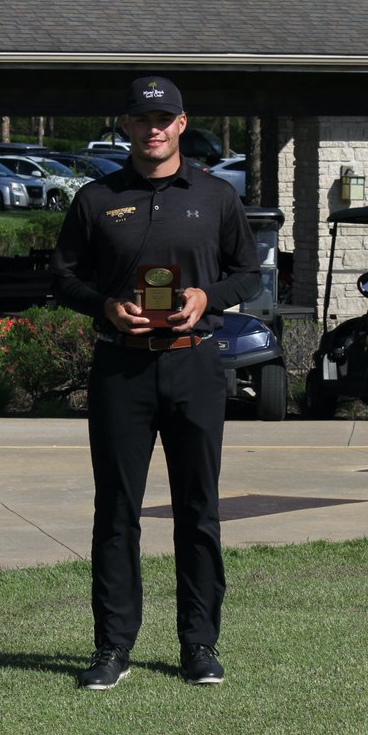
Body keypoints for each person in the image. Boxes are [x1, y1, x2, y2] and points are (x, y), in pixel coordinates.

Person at [52, 76, 260, 690]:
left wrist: (207, 295)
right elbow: (62, 277)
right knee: (116, 512)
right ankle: (113, 646)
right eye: (143, 120)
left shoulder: (217, 197)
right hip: (121, 368)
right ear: (126, 126)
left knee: (199, 511)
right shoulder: (96, 198)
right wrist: (105, 305)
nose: (154, 128)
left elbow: (248, 273)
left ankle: (199, 644)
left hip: (195, 363)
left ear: (181, 124)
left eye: (164, 119)